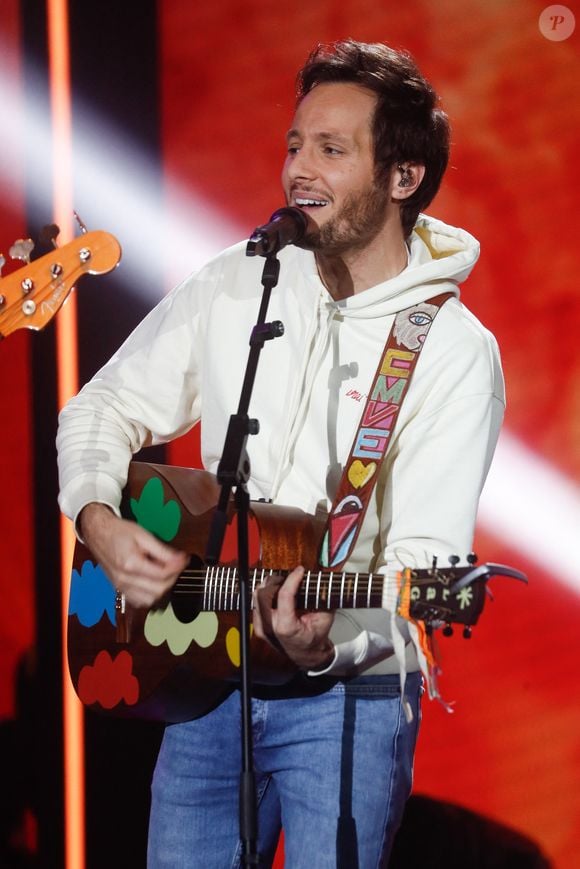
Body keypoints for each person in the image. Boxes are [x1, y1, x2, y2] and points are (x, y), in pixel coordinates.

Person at [57, 39, 505, 868]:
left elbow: (419, 567)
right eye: (296, 144)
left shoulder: (449, 350)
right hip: (202, 679)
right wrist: (99, 522)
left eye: (332, 151)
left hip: (350, 704)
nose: (299, 168)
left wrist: (321, 643)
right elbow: (102, 406)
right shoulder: (242, 276)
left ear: (402, 178)